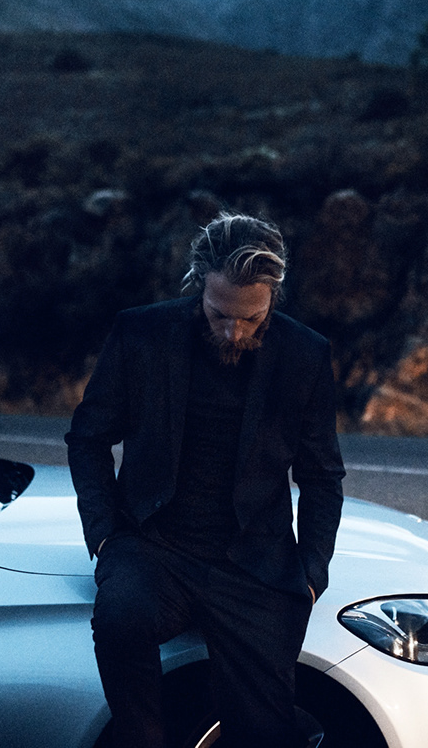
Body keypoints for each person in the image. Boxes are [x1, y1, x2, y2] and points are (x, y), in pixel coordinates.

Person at [66, 211, 345, 748]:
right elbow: (88, 438)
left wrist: (312, 572)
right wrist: (104, 536)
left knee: (265, 733)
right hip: (155, 548)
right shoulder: (141, 333)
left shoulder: (306, 354)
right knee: (120, 620)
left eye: (252, 318)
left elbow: (322, 475)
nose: (235, 331)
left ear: (272, 297)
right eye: (220, 314)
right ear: (199, 286)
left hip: (255, 566)